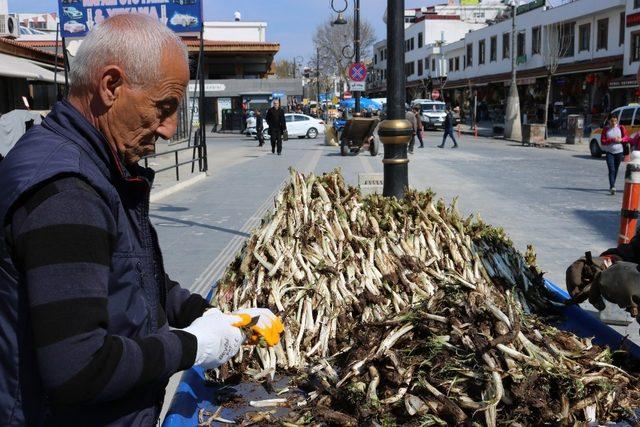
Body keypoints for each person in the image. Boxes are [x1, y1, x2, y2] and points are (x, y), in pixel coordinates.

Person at [0, 15, 283, 426]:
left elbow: (135, 275)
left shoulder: (102, 167)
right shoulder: (67, 192)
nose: (169, 130)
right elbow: (79, 368)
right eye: (163, 107)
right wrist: (190, 347)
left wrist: (208, 313)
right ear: (110, 86)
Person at [601, 115, 629, 195]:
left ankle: (613, 184)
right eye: (612, 121)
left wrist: (622, 139)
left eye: (615, 121)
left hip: (619, 152)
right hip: (609, 152)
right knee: (611, 169)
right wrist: (613, 140)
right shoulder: (606, 129)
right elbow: (603, 141)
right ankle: (612, 186)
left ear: (617, 121)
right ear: (609, 121)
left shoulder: (621, 128)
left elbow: (626, 137)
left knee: (616, 170)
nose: (613, 123)